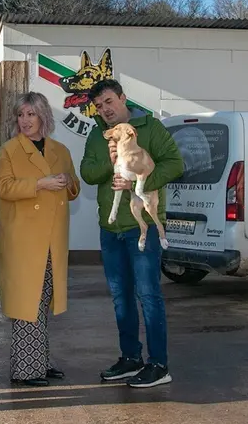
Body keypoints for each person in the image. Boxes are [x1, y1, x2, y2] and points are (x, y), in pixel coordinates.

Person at [79, 79, 184, 388]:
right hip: (110, 230)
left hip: (143, 228)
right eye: (99, 106)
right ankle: (130, 358)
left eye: (109, 101)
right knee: (120, 297)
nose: (105, 109)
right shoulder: (97, 135)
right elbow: (87, 173)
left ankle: (159, 365)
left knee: (148, 296)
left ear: (123, 98)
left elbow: (175, 164)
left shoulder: (150, 128)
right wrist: (110, 162)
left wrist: (140, 182)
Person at [0, 92, 81, 387]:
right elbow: (4, 187)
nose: (25, 120)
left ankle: (39, 361)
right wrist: (40, 183)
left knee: (41, 301)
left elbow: (74, 188)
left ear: (43, 116)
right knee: (27, 303)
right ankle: (26, 370)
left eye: (31, 114)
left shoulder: (60, 150)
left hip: (52, 239)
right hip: (23, 240)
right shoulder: (8, 151)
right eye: (21, 115)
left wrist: (68, 182)